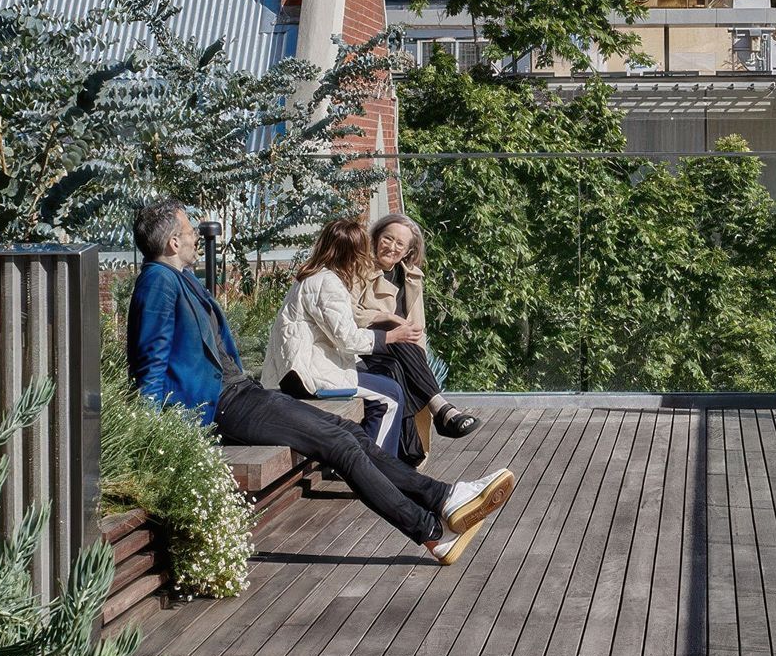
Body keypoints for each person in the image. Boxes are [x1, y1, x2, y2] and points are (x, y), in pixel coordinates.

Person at [126, 199, 515, 565]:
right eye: (190, 230)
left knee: (350, 433)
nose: (196, 235)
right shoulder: (158, 282)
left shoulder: (179, 278)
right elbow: (150, 365)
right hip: (223, 405)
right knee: (341, 445)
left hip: (240, 393)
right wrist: (156, 439)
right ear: (174, 241)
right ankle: (432, 530)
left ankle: (445, 498)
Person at [264, 218, 411, 456]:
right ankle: (380, 469)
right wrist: (390, 337)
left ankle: (363, 457)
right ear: (352, 253)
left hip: (296, 369)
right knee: (390, 396)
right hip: (307, 375)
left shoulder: (312, 277)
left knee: (386, 377)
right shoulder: (327, 283)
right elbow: (348, 339)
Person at [354, 213, 483, 465]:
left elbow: (417, 329)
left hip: (399, 355)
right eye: (387, 239)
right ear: (376, 238)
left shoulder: (411, 277)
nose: (391, 247)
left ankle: (410, 448)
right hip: (363, 348)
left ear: (408, 251)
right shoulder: (359, 270)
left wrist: (418, 363)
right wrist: (387, 319)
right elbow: (347, 315)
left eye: (399, 244)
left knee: (396, 367)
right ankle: (441, 410)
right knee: (399, 338)